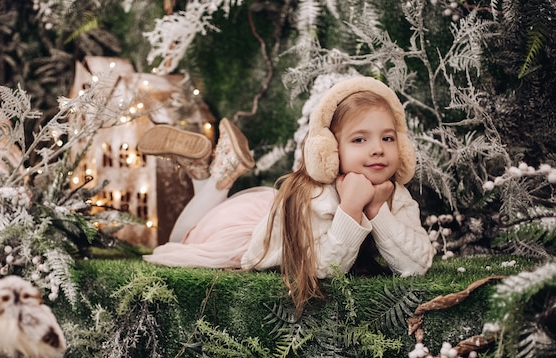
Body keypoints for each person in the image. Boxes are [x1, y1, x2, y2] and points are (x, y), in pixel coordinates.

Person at [138, 76, 435, 314]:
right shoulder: (316, 197)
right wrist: (351, 208)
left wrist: (377, 210)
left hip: (270, 211)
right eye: (359, 139)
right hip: (252, 230)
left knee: (185, 237)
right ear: (328, 150)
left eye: (388, 137)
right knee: (179, 242)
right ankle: (216, 178)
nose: (378, 149)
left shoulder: (392, 194)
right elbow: (325, 269)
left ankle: (206, 171)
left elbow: (415, 265)